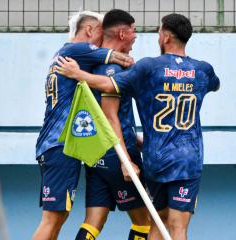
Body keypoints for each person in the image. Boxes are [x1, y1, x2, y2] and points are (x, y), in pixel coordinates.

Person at [56, 13, 220, 240]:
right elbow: (215, 85)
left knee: (156, 223)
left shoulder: (148, 69)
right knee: (177, 228)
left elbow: (108, 85)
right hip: (187, 159)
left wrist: (78, 74)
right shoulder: (203, 70)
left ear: (165, 37)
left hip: (156, 158)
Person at [33, 10, 134, 240]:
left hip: (53, 144)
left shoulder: (61, 56)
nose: (102, 39)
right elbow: (121, 57)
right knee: (52, 219)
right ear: (89, 30)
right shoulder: (76, 50)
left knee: (58, 217)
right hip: (60, 145)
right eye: (101, 32)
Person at [74, 9, 151, 240]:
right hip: (117, 155)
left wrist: (136, 139)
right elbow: (110, 115)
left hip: (96, 152)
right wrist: (126, 161)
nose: (136, 36)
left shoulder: (93, 65)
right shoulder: (114, 70)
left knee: (93, 221)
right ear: (122, 33)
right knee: (145, 222)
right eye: (134, 31)